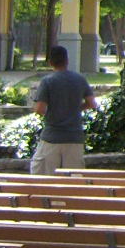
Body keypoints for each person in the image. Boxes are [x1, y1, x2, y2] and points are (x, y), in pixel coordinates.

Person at [29, 45, 96, 174]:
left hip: (51, 137)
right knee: (73, 180)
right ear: (67, 61)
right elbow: (92, 103)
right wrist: (75, 109)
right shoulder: (80, 79)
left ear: (50, 62)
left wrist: (52, 113)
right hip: (74, 137)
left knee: (43, 178)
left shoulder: (47, 81)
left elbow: (40, 108)